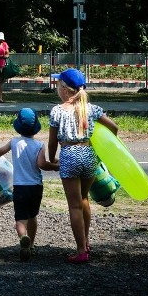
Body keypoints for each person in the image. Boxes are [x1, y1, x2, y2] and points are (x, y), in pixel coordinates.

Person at [48, 68, 118, 264]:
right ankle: (86, 242)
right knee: (84, 198)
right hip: (89, 156)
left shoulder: (57, 111)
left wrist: (53, 159)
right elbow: (114, 128)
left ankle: (81, 251)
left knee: (74, 205)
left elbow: (52, 142)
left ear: (64, 89)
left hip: (69, 155)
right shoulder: (92, 109)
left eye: (58, 85)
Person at [0, 108, 59, 261]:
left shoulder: (14, 142)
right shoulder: (39, 145)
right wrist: (54, 166)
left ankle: (23, 237)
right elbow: (41, 164)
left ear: (18, 127)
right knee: (33, 216)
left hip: (20, 187)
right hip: (35, 187)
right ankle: (32, 244)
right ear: (35, 128)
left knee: (20, 219)